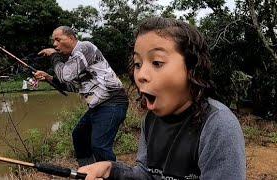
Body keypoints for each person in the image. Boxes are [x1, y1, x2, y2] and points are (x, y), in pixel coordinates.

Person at [77, 17, 246, 180]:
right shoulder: (150, 120)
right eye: (137, 64)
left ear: (191, 68)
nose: (141, 75)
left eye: (157, 62)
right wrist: (111, 170)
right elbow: (148, 174)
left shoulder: (218, 124)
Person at [34, 26, 129, 166]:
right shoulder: (75, 60)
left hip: (113, 101)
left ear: (71, 38)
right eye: (53, 41)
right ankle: (88, 171)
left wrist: (54, 55)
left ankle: (113, 174)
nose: (54, 44)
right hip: (98, 106)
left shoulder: (84, 48)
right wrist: (49, 78)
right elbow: (72, 86)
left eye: (58, 39)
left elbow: (65, 76)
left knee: (100, 146)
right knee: (79, 136)